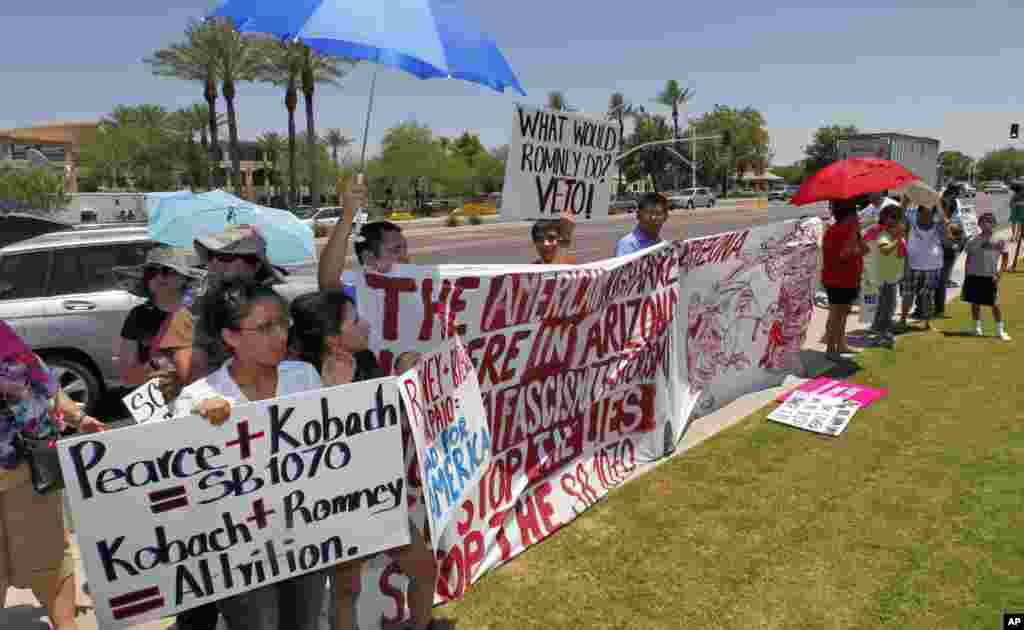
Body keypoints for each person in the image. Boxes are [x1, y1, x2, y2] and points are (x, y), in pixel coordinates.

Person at [172, 279, 326, 630]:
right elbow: (186, 484)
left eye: (282, 323)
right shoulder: (198, 398)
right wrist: (198, 427)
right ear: (231, 337)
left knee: (306, 622)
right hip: (238, 548)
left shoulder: (304, 376)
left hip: (303, 533)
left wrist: (339, 392)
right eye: (265, 327)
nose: (280, 335)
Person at [155, 225, 285, 630]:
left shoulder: (280, 304)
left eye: (226, 257)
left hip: (276, 454)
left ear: (252, 264)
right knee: (207, 570)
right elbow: (186, 375)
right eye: (211, 256)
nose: (214, 264)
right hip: (215, 451)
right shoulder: (191, 313)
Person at [289, 291, 438, 630]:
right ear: (332, 339)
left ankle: (423, 624)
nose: (365, 325)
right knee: (346, 588)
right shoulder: (301, 377)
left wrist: (403, 381)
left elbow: (386, 419)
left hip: (379, 494)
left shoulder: (367, 361)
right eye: (354, 320)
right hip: (336, 503)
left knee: (424, 568)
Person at [0, 321, 105, 630]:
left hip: (28, 472)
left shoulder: (6, 340)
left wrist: (78, 417)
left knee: (50, 559)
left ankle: (65, 625)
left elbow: (45, 383)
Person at [113, 246, 202, 387]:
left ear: (185, 278)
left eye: (168, 271)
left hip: (197, 399)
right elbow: (127, 377)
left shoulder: (198, 314)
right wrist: (152, 368)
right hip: (155, 400)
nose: (159, 277)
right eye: (152, 272)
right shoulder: (138, 315)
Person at [821, 198, 868, 360]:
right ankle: (830, 349)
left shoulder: (849, 231)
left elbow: (865, 250)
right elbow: (845, 254)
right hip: (837, 279)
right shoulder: (837, 230)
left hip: (849, 278)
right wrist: (854, 236)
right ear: (848, 215)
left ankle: (840, 344)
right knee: (836, 314)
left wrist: (857, 235)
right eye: (855, 213)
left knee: (843, 313)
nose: (858, 216)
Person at [962, 212, 1011, 340]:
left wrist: (1000, 274)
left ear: (994, 224)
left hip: (990, 276)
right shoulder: (973, 240)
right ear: (979, 224)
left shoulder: (1000, 239)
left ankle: (1000, 331)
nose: (986, 224)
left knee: (994, 304)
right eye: (983, 221)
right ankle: (977, 328)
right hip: (974, 275)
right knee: (975, 302)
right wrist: (967, 274)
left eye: (989, 221)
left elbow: (1005, 257)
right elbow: (968, 257)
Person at [899, 205, 945, 330]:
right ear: (918, 214)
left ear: (933, 215)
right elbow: (900, 217)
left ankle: (927, 322)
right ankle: (903, 320)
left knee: (928, 296)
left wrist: (939, 209)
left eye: (929, 214)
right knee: (908, 294)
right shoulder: (911, 225)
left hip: (932, 267)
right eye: (923, 213)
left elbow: (946, 235)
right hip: (912, 266)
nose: (926, 216)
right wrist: (905, 202)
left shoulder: (938, 226)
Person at [868, 205, 907, 347]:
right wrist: (898, 238)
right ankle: (883, 334)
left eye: (898, 218)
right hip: (884, 277)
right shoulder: (884, 235)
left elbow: (901, 255)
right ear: (885, 219)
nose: (897, 221)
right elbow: (884, 250)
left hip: (892, 276)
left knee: (887, 306)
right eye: (893, 217)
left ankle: (880, 332)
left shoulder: (892, 234)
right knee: (887, 307)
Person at [933, 197, 965, 318]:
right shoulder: (937, 220)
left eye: (942, 208)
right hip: (936, 252)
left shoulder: (955, 221)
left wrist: (956, 247)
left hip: (947, 253)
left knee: (941, 282)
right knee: (934, 281)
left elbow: (961, 239)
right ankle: (928, 307)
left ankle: (939, 309)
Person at [615, 192, 669, 257]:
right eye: (649, 213)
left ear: (666, 217)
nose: (653, 217)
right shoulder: (628, 244)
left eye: (658, 213)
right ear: (638, 215)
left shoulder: (665, 246)